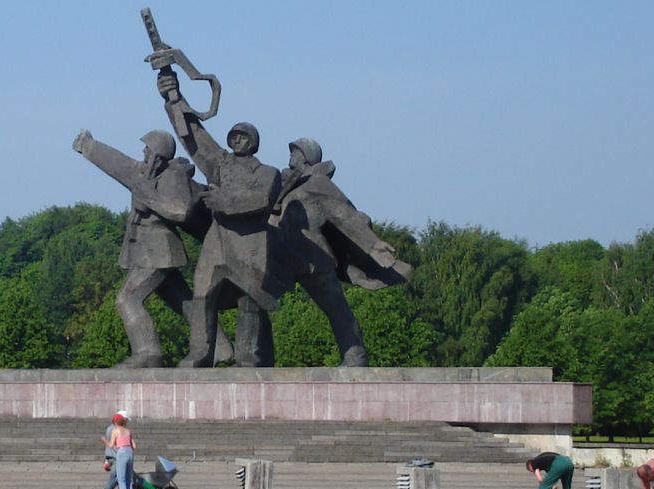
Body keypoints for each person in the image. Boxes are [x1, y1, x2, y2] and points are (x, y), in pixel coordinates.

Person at [156, 70, 285, 367]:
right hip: (217, 244)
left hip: (250, 245)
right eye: (234, 136)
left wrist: (223, 201)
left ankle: (247, 357)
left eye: (243, 137)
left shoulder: (268, 173)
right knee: (203, 297)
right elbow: (196, 140)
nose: (237, 141)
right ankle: (201, 352)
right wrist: (173, 98)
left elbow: (261, 200)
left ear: (254, 142)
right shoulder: (221, 165)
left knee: (249, 302)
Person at [73, 128, 232, 368]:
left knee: (127, 299)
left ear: (158, 154)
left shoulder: (174, 177)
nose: (144, 151)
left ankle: (148, 352)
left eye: (148, 147)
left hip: (159, 251)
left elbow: (182, 210)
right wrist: (90, 147)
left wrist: (149, 199)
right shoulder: (143, 173)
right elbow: (119, 164)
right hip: (146, 250)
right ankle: (221, 348)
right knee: (184, 302)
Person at [270, 138, 413, 367]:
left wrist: (373, 244)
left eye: (294, 152)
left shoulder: (317, 182)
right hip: (282, 255)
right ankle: (257, 356)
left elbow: (344, 215)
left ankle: (355, 356)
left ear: (306, 157)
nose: (290, 157)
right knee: (251, 298)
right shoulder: (288, 186)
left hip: (314, 257)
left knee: (336, 308)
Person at [94, 410, 126, 489]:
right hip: (117, 458)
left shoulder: (110, 428)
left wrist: (106, 460)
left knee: (116, 479)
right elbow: (114, 446)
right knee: (115, 480)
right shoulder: (116, 430)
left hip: (112, 457)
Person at [107, 412, 137, 489]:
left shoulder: (115, 431)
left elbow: (111, 445)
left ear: (115, 422)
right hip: (130, 453)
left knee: (121, 479)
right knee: (129, 478)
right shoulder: (128, 431)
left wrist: (104, 441)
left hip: (122, 453)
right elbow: (134, 446)